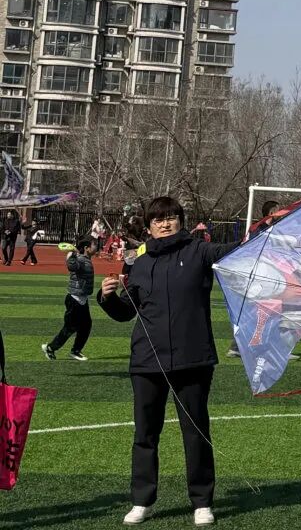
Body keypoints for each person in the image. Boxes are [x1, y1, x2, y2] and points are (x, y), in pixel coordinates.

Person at [98, 196, 240, 526]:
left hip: (193, 359)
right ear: (148, 226)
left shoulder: (199, 251)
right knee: (145, 434)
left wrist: (266, 234)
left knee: (196, 431)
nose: (165, 223)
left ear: (181, 220)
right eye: (158, 219)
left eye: (171, 217)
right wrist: (106, 297)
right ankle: (142, 500)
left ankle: (202, 501)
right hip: (147, 362)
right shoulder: (138, 262)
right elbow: (126, 311)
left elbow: (234, 251)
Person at [42, 238, 97, 361]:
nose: (96, 247)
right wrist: (72, 254)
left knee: (85, 326)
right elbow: (72, 266)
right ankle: (50, 348)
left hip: (81, 299)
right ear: (86, 248)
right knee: (70, 327)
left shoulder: (85, 259)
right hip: (74, 299)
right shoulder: (80, 259)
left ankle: (75, 351)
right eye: (94, 245)